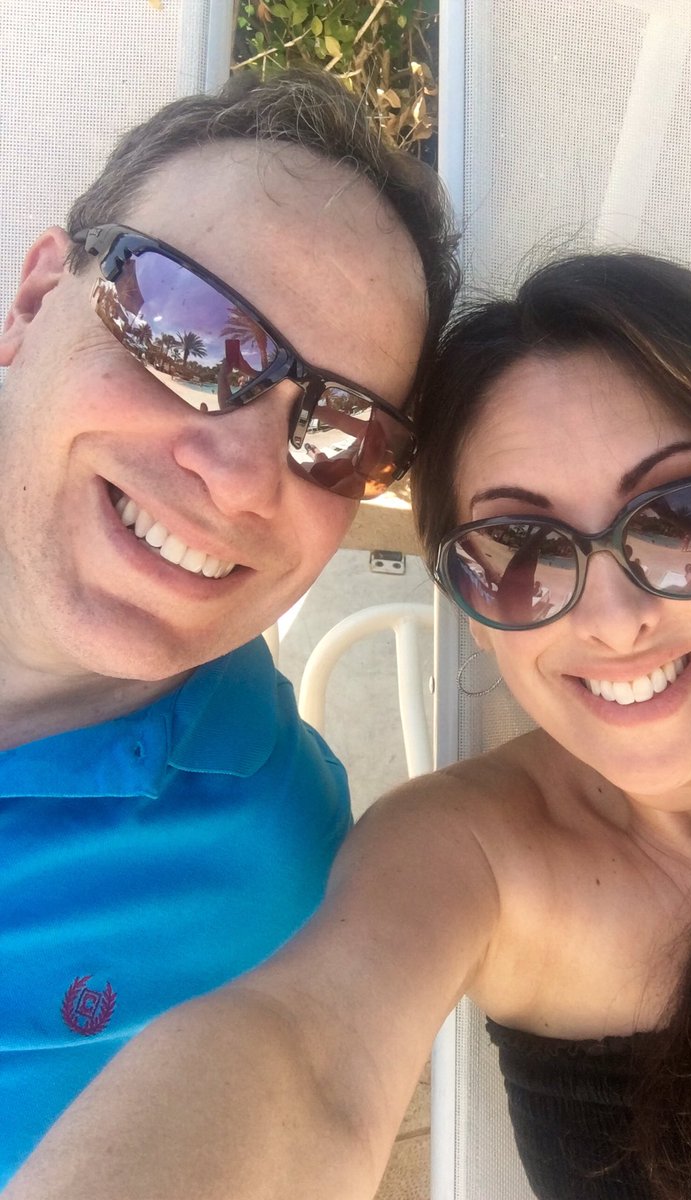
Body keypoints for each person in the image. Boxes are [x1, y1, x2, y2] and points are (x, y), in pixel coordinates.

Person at [5, 252, 691, 1200]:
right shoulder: (471, 852)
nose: (610, 620)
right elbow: (308, 1057)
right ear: (469, 603)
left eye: (685, 521)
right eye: (519, 552)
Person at [0, 63, 457, 1187]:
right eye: (184, 330)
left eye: (344, 434)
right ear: (33, 300)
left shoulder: (272, 873)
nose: (245, 478)